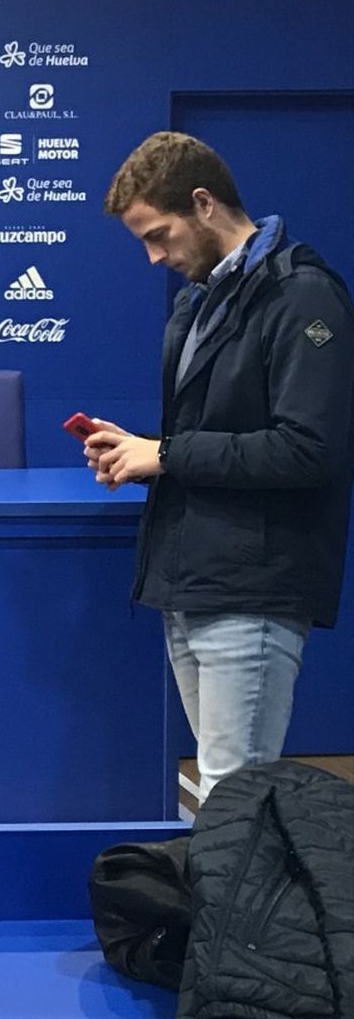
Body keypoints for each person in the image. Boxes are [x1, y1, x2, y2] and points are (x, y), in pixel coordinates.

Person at [88, 131, 354, 805]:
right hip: (192, 578)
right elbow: (216, 436)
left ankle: (238, 914)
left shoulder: (304, 298)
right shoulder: (199, 301)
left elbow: (308, 450)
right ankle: (217, 911)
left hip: (256, 585)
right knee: (220, 789)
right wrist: (144, 451)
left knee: (237, 794)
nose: (153, 256)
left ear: (204, 204)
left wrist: (169, 453)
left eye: (159, 234)